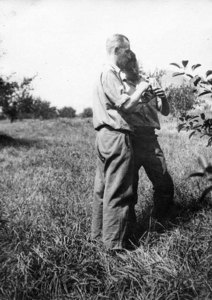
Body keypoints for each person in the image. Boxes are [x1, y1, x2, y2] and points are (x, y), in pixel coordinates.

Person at [91, 34, 151, 251]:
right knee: (119, 191)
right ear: (116, 50)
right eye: (126, 50)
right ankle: (114, 247)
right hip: (116, 136)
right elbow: (125, 106)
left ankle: (98, 237)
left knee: (103, 188)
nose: (129, 54)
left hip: (104, 136)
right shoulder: (110, 74)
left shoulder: (103, 73)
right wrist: (143, 88)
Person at [121, 50, 174, 227]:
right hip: (131, 139)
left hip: (151, 139)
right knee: (129, 188)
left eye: (134, 64)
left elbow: (164, 111)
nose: (133, 69)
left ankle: (159, 222)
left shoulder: (150, 82)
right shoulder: (119, 85)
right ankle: (130, 228)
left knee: (164, 183)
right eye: (129, 66)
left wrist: (163, 96)